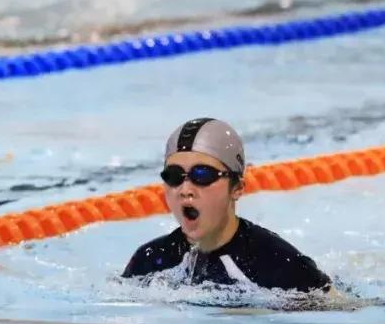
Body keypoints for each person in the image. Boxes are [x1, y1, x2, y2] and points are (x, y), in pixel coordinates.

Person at [122, 117, 331, 293]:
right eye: (174, 176)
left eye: (202, 175)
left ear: (237, 188)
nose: (185, 189)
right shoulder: (149, 261)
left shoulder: (280, 266)